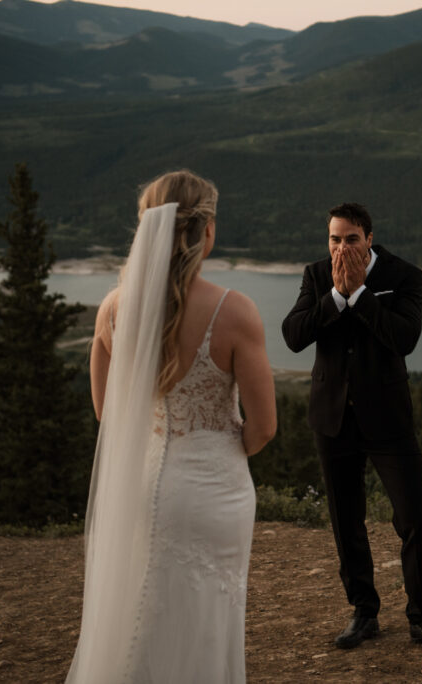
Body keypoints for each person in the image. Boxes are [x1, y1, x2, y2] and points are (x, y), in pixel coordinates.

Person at [66, 170, 276, 683]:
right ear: (205, 231)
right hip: (212, 489)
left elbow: (106, 414)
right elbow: (264, 427)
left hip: (141, 480)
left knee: (142, 610)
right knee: (204, 618)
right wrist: (220, 451)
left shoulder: (114, 309)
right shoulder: (234, 311)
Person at [281, 203, 422, 651]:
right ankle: (364, 612)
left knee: (415, 517)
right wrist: (337, 298)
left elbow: (405, 339)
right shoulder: (316, 275)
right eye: (334, 239)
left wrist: (359, 295)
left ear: (370, 238)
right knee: (346, 519)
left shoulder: (404, 276)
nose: (341, 248)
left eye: (351, 239)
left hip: (388, 418)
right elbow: (293, 335)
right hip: (333, 418)